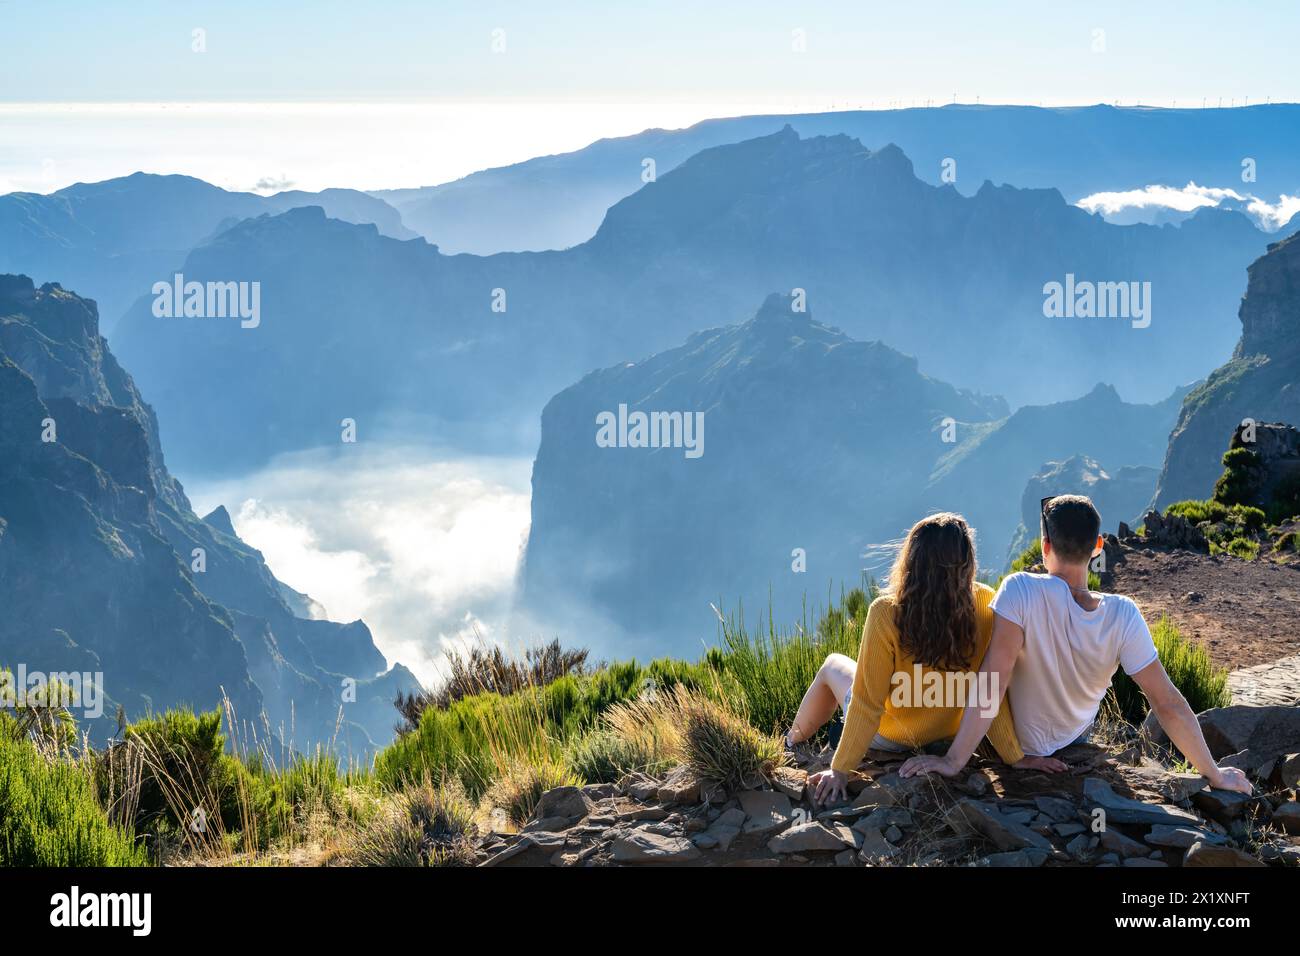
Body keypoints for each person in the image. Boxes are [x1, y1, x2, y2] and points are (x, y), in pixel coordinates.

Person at [899, 495, 1253, 795]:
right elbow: (1167, 702)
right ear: (1098, 546)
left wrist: (953, 760)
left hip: (1008, 741)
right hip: (1071, 739)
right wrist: (1215, 774)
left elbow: (993, 681)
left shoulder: (1021, 589)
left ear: (1045, 545)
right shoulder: (1123, 614)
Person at [799, 512, 1065, 805]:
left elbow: (867, 703)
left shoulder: (886, 612)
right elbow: (990, 689)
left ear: (911, 559)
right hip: (951, 732)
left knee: (832, 665)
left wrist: (839, 770)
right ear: (967, 562)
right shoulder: (987, 602)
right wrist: (1014, 757)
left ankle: (790, 743)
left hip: (891, 735)